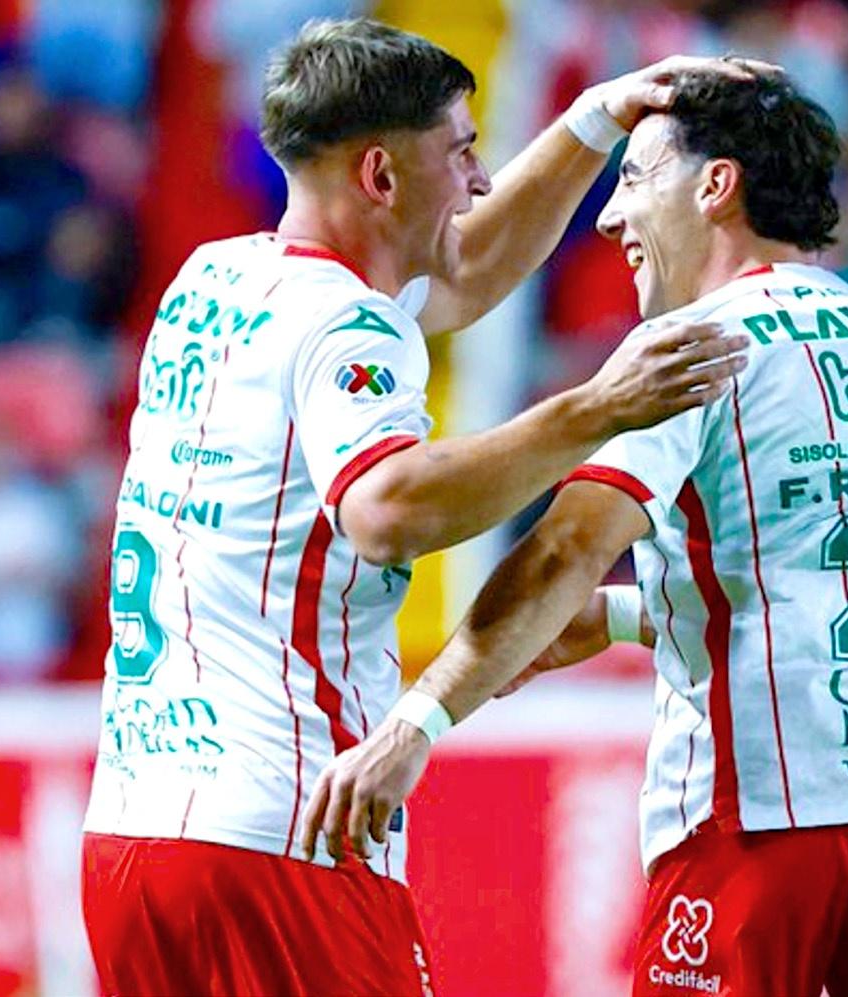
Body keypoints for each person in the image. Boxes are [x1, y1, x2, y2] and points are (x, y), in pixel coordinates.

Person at [79, 18, 753, 997]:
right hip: (284, 830)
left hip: (133, 830)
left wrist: (595, 119)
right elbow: (385, 509)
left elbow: (467, 268)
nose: (478, 181)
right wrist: (596, 409)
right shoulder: (347, 324)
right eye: (461, 152)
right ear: (380, 176)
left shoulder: (212, 282)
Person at [312, 68, 848, 997]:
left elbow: (566, 547)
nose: (609, 218)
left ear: (715, 186)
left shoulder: (695, 345)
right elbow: (834, 581)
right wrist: (620, 616)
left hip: (758, 825)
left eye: (635, 179)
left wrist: (413, 724)